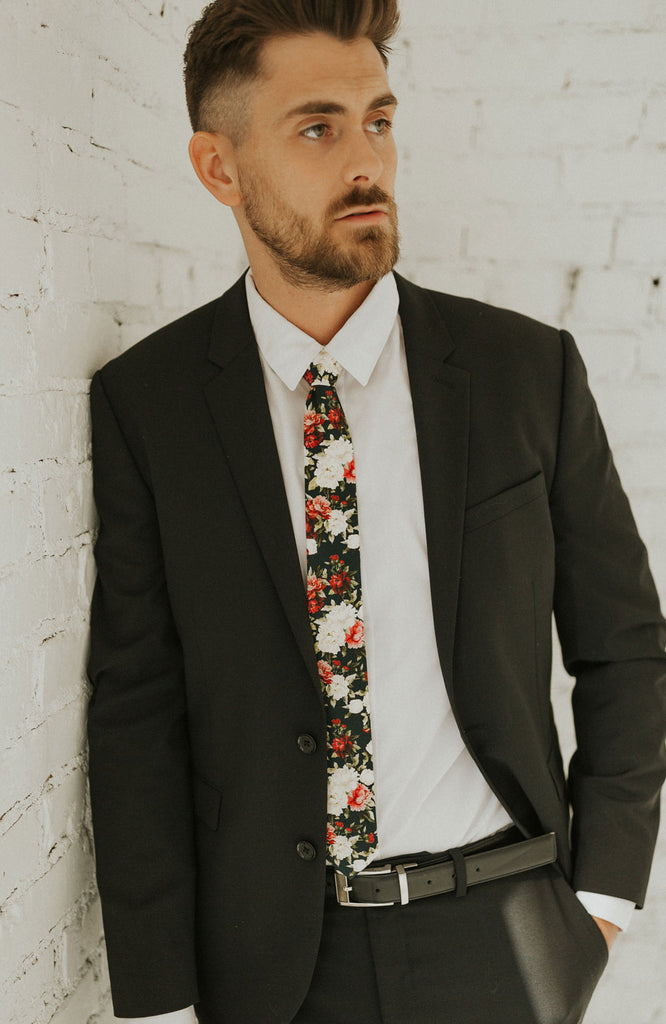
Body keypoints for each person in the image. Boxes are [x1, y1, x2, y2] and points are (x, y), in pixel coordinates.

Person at [86, 2, 666, 1022]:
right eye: (318, 128)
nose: (367, 160)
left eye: (379, 121)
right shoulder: (155, 404)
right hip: (273, 969)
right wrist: (160, 1001)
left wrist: (601, 902)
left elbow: (627, 649)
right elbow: (139, 712)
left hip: (506, 939)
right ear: (219, 168)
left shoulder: (525, 373)